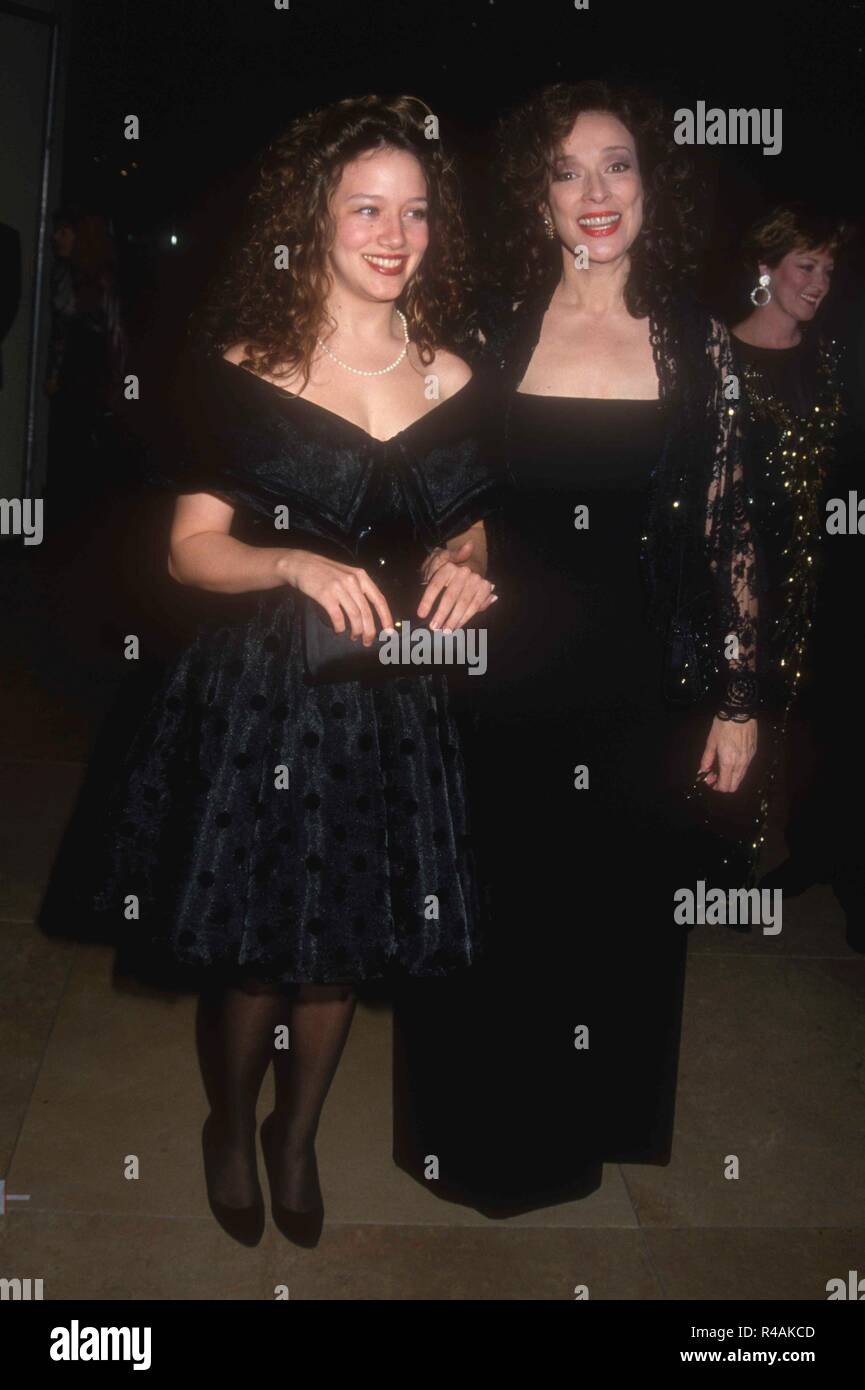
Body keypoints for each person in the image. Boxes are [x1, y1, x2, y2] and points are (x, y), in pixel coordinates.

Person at [89, 95, 499, 1246]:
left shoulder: (455, 375)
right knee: (260, 950)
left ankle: (296, 1134)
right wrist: (287, 561)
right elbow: (189, 548)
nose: (392, 233)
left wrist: (471, 568)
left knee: (343, 960)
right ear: (312, 218)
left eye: (415, 212)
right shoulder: (246, 363)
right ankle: (231, 1122)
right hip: (264, 699)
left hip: (394, 700)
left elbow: (468, 528)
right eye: (365, 206)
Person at [393, 80, 758, 1215]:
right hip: (499, 676)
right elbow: (448, 498)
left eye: (617, 166)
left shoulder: (696, 345)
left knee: (605, 916)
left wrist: (739, 701)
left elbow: (731, 525)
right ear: (537, 200)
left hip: (635, 681)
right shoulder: (494, 335)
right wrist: (454, 551)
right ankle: (471, 1132)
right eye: (566, 171)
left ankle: (577, 1129)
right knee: (487, 904)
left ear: (650, 187)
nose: (594, 193)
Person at [726, 206, 856, 941]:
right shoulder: (719, 360)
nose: (819, 283)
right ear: (766, 269)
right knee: (745, 722)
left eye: (828, 271)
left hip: (834, 574)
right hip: (752, 581)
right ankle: (726, 869)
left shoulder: (834, 355)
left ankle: (824, 859)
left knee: (826, 729)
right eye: (806, 267)